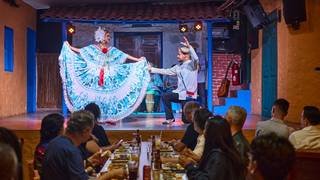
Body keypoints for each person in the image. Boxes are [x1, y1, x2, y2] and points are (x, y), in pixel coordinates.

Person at [60, 27, 150, 122]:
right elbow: (80, 51)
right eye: (107, 36)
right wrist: (69, 47)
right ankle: (93, 116)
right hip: (94, 76)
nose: (109, 38)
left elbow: (125, 55)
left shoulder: (111, 50)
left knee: (108, 96)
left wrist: (138, 60)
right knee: (94, 96)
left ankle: (107, 116)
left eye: (109, 36)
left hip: (108, 76)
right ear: (101, 37)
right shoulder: (92, 48)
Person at [42, 110, 127, 180]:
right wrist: (112, 174)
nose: (91, 135)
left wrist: (89, 161)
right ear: (86, 131)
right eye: (91, 131)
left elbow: (65, 171)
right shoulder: (71, 150)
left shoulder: (55, 142)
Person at [149, 36, 199, 125]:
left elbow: (196, 59)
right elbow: (166, 71)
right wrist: (152, 69)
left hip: (188, 96)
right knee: (165, 96)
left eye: (179, 54)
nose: (177, 56)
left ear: (186, 56)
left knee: (185, 120)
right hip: (180, 94)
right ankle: (170, 118)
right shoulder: (178, 67)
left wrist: (190, 47)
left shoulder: (192, 65)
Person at [179, 116, 245, 180]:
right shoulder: (226, 150)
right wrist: (198, 162)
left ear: (211, 133)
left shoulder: (219, 156)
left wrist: (189, 166)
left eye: (205, 129)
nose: (204, 132)